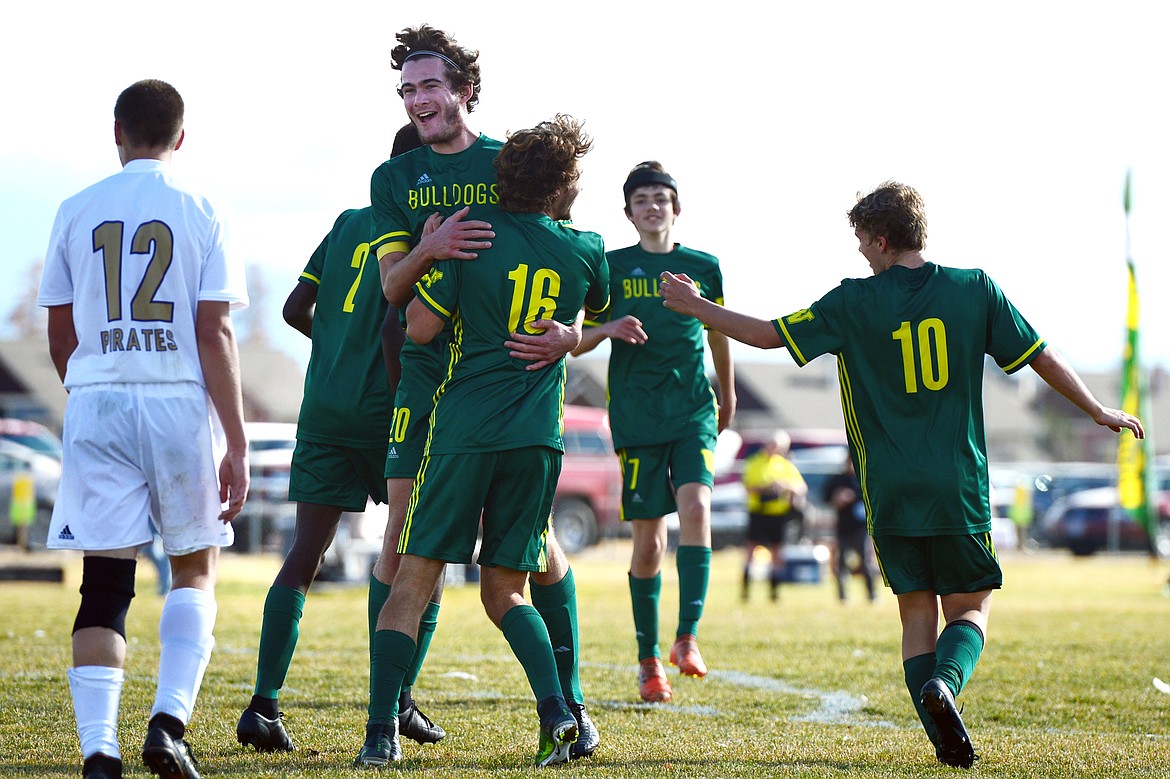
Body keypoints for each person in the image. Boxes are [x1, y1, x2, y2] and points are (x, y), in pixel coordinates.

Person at [657, 180, 1144, 769]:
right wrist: (1096, 409)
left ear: (883, 239)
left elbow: (768, 335)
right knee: (968, 609)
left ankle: (941, 732)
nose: (860, 250)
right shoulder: (973, 288)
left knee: (916, 610)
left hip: (888, 488)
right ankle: (946, 687)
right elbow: (1039, 352)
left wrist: (697, 307)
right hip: (956, 485)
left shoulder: (851, 302)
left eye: (862, 239)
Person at [360, 25, 596, 763]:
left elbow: (565, 274)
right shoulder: (394, 177)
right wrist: (428, 248)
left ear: (464, 89)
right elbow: (393, 291)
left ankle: (570, 703)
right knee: (405, 544)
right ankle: (397, 705)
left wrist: (571, 334)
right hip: (431, 387)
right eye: (407, 90)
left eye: (429, 85)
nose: (418, 100)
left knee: (539, 554)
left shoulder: (513, 165)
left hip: (497, 382)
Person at [38, 79, 249, 779]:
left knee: (104, 580)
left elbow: (61, 333)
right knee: (193, 565)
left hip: (97, 397)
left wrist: (96, 386)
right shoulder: (204, 207)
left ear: (117, 132)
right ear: (180, 138)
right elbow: (214, 329)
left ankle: (100, 751)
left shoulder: (75, 208)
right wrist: (237, 440)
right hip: (176, 400)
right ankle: (167, 723)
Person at [234, 125, 447, 753]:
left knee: (304, 554)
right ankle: (398, 701)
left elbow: (295, 308)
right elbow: (392, 324)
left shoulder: (348, 221)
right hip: (390, 411)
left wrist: (332, 349)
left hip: (325, 407)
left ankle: (263, 704)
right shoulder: (425, 231)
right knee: (416, 559)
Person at [572, 161, 735, 704]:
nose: (652, 206)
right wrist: (607, 327)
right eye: (641, 199)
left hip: (693, 411)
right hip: (638, 418)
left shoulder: (703, 266)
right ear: (628, 212)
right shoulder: (610, 267)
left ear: (676, 207)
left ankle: (687, 638)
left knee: (698, 510)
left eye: (660, 198)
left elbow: (720, 335)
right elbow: (574, 339)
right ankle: (648, 659)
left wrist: (728, 394)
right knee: (650, 542)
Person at [740, 430, 807, 602]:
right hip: (758, 513)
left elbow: (801, 486)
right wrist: (767, 487)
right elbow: (748, 487)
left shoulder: (784, 465)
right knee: (751, 550)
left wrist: (786, 486)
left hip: (778, 514)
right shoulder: (754, 462)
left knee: (777, 554)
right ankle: (746, 590)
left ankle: (774, 592)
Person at [822, 455, 878, 603]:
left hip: (861, 527)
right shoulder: (838, 479)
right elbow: (825, 497)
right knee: (841, 562)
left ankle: (872, 594)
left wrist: (854, 496)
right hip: (843, 527)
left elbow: (874, 498)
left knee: (865, 561)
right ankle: (842, 596)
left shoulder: (865, 478)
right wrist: (837, 498)